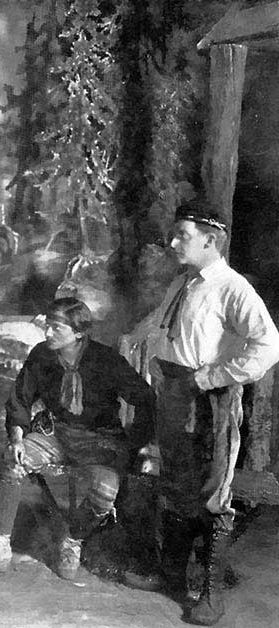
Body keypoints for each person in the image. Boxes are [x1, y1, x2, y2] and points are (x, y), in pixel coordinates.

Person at [131, 199, 279, 625]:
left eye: (183, 236)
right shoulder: (183, 283)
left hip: (209, 401)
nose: (173, 242)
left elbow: (268, 345)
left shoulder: (233, 288)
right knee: (176, 486)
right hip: (175, 396)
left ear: (211, 241)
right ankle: (171, 577)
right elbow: (166, 332)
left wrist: (210, 378)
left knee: (213, 493)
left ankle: (211, 595)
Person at [0, 297, 157, 581]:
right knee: (13, 461)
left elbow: (145, 398)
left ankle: (73, 538)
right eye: (48, 325)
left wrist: (134, 445)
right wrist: (17, 439)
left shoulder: (106, 360)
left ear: (78, 333)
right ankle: (0, 548)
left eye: (57, 328)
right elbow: (19, 400)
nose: (48, 332)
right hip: (55, 432)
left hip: (99, 439)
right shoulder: (41, 356)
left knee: (106, 491)